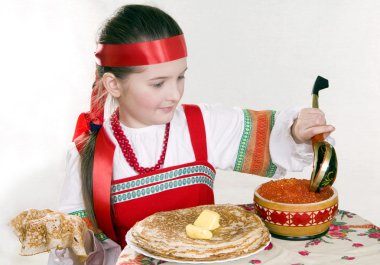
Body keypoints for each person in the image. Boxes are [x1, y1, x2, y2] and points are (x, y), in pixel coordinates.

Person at [48, 4, 335, 265]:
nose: (174, 94)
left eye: (180, 77)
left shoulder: (203, 124)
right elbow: (83, 249)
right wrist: (68, 238)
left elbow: (273, 137)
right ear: (113, 84)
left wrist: (298, 132)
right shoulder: (89, 152)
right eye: (158, 83)